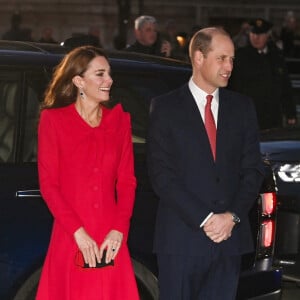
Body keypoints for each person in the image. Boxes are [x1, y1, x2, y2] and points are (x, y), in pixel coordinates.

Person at [147, 27, 264, 300]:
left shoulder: (242, 107)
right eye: (222, 58)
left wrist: (232, 216)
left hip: (229, 243)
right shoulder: (165, 108)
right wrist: (206, 219)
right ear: (199, 58)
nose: (229, 66)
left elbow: (253, 169)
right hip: (181, 242)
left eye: (232, 59)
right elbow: (162, 175)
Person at [36, 46, 139, 300]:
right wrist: (78, 233)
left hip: (110, 237)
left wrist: (119, 230)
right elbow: (49, 185)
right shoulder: (53, 121)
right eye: (100, 74)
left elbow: (127, 182)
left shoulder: (119, 122)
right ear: (79, 81)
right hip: (71, 234)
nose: (109, 80)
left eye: (110, 74)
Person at [229, 18, 297, 129]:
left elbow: (285, 86)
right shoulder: (240, 57)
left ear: (267, 35)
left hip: (272, 116)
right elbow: (232, 87)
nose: (256, 38)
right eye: (253, 33)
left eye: (260, 34)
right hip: (248, 116)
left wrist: (290, 113)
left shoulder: (277, 57)